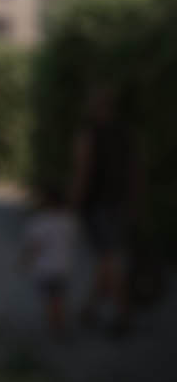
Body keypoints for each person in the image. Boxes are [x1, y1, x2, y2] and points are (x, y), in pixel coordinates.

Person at [70, 84, 140, 337]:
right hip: (119, 202)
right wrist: (133, 203)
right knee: (106, 258)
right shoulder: (125, 133)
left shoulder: (89, 134)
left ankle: (123, 314)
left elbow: (83, 172)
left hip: (98, 203)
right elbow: (134, 171)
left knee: (108, 260)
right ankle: (90, 310)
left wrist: (74, 205)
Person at [21, 185, 76, 340]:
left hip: (46, 268)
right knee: (59, 297)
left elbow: (34, 246)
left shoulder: (40, 222)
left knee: (51, 299)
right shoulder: (69, 221)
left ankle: (56, 328)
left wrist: (25, 261)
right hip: (64, 266)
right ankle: (60, 324)